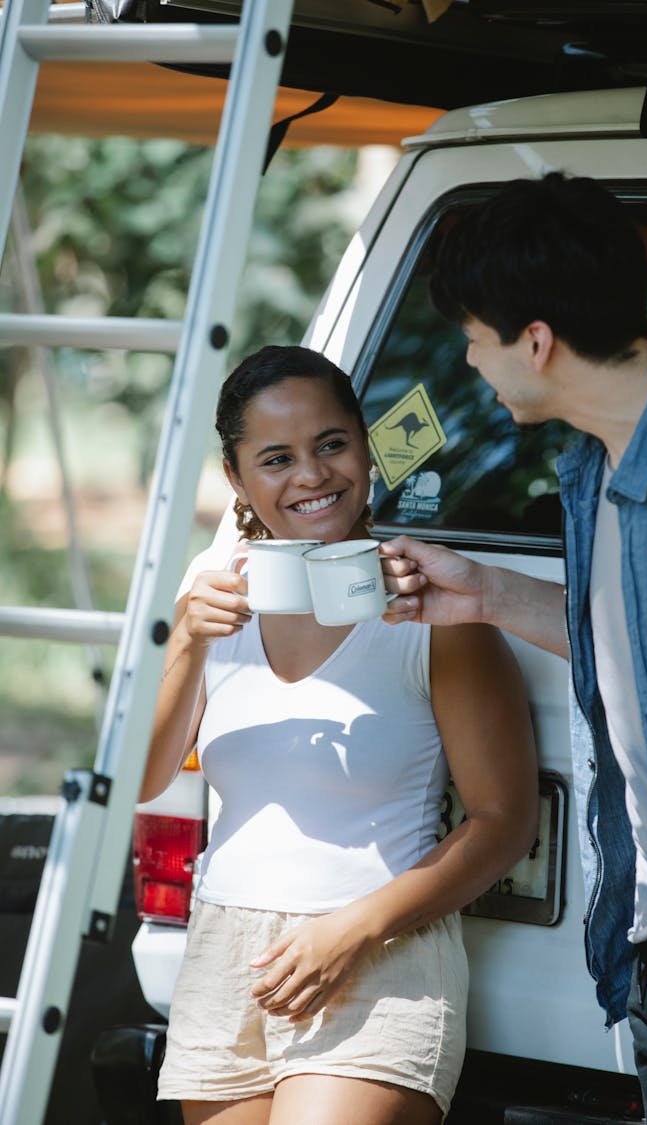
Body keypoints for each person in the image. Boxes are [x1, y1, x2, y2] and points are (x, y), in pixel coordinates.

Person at [380, 172, 647, 1125]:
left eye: (473, 339)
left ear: (535, 341)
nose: (468, 363)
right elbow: (645, 648)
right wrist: (490, 592)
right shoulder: (591, 463)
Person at [144, 345, 538, 1125]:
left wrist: (353, 930)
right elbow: (146, 777)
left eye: (331, 444)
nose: (313, 476)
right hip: (227, 954)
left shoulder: (433, 603)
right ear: (235, 475)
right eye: (277, 457)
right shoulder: (212, 588)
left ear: (365, 443)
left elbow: (505, 821)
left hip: (379, 953)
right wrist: (187, 641)